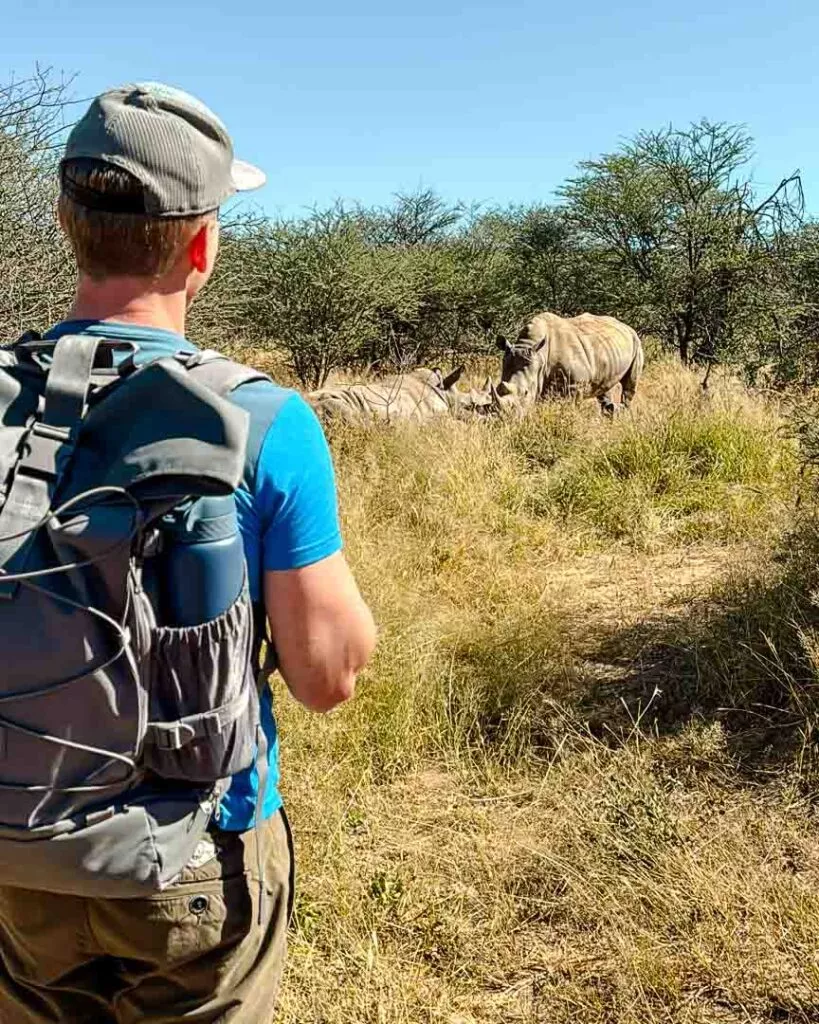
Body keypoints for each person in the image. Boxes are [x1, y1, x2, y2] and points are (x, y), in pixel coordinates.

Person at [0, 81, 376, 1023]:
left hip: (10, 852)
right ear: (202, 245)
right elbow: (329, 676)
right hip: (193, 860)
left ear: (62, 222)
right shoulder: (262, 419)